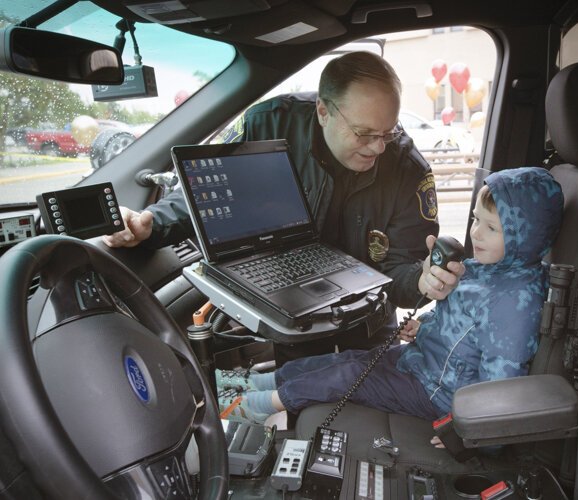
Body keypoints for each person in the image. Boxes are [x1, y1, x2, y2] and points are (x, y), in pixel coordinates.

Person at [102, 51, 464, 364]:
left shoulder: (407, 170)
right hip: (283, 307)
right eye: (364, 133)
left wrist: (423, 280)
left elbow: (402, 273)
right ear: (323, 111)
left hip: (366, 323)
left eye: (387, 133)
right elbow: (211, 189)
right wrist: (153, 222)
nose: (378, 148)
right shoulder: (269, 124)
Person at [222, 167, 564, 427]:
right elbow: (457, 320)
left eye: (492, 228)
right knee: (345, 361)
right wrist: (424, 325)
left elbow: (499, 384)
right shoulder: (482, 268)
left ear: (526, 238)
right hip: (420, 364)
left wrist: (468, 431)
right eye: (476, 220)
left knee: (348, 376)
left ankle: (258, 406)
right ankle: (252, 381)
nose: (475, 233)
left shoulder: (515, 304)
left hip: (439, 396)